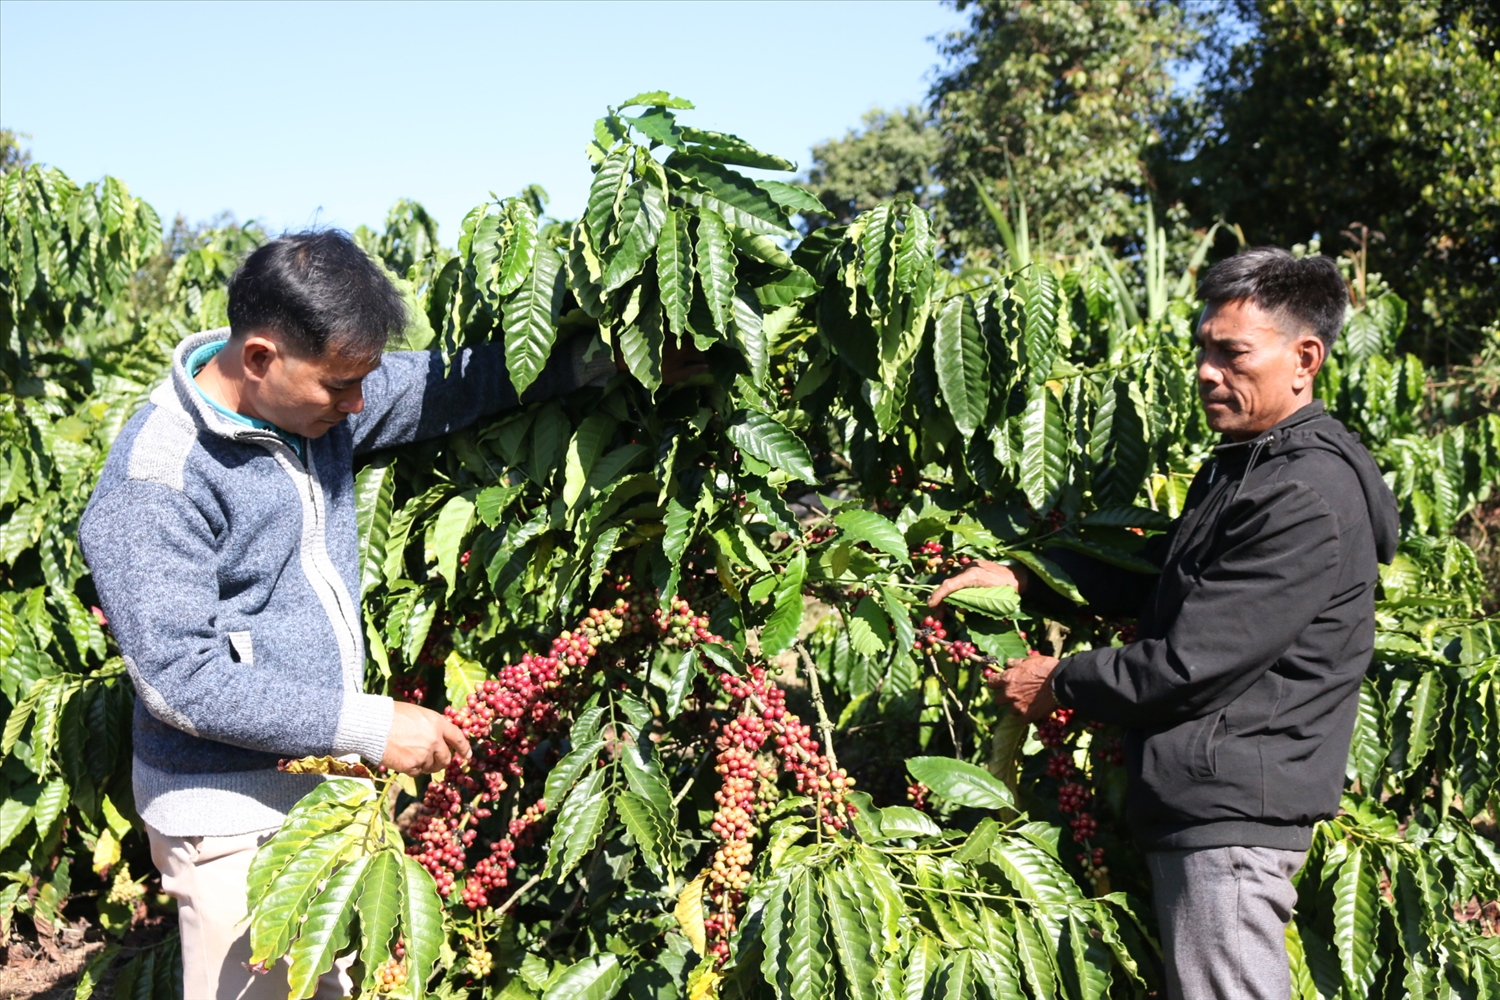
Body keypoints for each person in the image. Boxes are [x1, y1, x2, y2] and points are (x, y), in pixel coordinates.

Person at [79, 230, 702, 999]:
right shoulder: (156, 478)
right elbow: (182, 682)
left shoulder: (312, 409)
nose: (358, 405)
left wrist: (619, 359)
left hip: (324, 790)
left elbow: (456, 384)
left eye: (362, 381)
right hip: (227, 815)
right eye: (339, 385)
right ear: (262, 357)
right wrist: (374, 726)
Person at [930, 248, 1399, 1000]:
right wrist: (1028, 580)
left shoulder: (1303, 493)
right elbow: (1169, 573)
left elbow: (1193, 661)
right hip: (1209, 806)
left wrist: (1063, 683)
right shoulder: (1250, 466)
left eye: (1232, 352)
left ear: (1304, 357)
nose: (1208, 371)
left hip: (1233, 820)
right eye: (1203, 350)